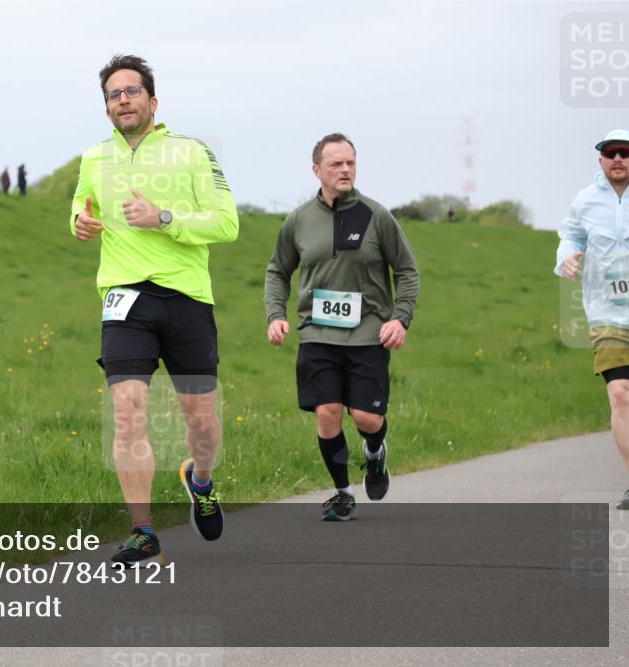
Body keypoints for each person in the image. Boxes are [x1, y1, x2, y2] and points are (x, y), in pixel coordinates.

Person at [70, 54, 239, 564]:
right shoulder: (93, 158)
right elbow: (81, 207)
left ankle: (200, 479)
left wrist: (162, 216)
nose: (123, 99)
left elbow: (226, 223)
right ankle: (143, 530)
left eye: (131, 91)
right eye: (113, 94)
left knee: (202, 425)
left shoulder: (191, 151)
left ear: (153, 100)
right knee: (126, 413)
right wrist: (78, 223)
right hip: (124, 300)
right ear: (106, 109)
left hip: (186, 298)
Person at [264, 133, 420, 521]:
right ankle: (342, 492)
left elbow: (407, 271)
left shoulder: (376, 215)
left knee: (366, 418)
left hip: (368, 334)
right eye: (336, 164)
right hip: (317, 333)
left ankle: (375, 452)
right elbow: (277, 271)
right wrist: (276, 314)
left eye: (350, 162)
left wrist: (400, 319)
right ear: (317, 170)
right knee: (328, 413)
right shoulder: (299, 220)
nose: (345, 169)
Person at [556, 128, 629, 510]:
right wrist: (565, 257)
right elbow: (569, 236)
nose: (618, 158)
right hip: (607, 312)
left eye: (625, 152)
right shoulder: (586, 200)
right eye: (610, 152)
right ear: (600, 159)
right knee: (620, 393)